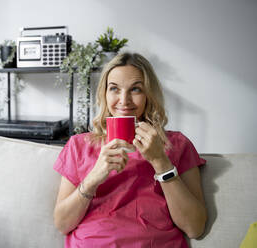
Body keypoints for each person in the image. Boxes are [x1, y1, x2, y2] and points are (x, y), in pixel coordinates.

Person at [53, 52, 207, 248]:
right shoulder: (78, 145)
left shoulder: (177, 144)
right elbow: (62, 224)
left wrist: (160, 161)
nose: (124, 100)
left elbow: (194, 227)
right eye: (114, 89)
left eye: (135, 89)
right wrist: (94, 177)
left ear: (148, 96)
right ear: (104, 94)